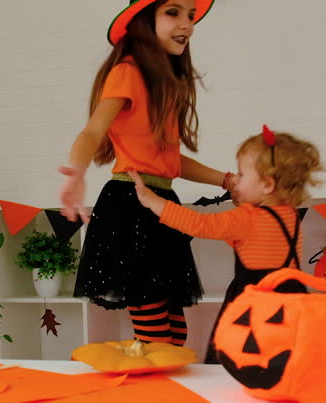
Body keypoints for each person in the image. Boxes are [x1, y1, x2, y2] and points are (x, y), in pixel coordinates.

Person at [130, 125, 326, 403]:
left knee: (230, 375)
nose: (234, 180)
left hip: (253, 311)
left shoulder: (247, 218)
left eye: (240, 173)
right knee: (274, 380)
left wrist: (152, 201)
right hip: (291, 308)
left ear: (266, 185)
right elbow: (262, 250)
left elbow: (197, 224)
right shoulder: (289, 217)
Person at [58, 0, 233, 347]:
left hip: (161, 203)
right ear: (143, 21)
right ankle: (149, 398)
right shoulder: (127, 71)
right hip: (130, 205)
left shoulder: (165, 85)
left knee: (175, 333)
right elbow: (93, 132)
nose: (187, 24)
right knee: (155, 333)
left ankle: (159, 394)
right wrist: (77, 173)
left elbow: (169, 162)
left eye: (191, 16)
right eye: (173, 12)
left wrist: (227, 181)